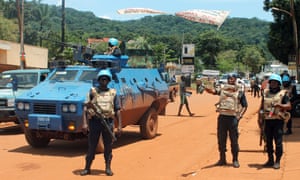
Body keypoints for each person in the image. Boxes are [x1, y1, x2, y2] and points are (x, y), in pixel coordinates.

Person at [80, 69, 122, 176]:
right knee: (92, 146)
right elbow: (85, 108)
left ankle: (108, 168)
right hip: (95, 122)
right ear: (98, 80)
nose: (104, 81)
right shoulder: (92, 92)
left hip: (108, 122)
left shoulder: (113, 93)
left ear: (108, 80)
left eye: (106, 79)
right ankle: (87, 168)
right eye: (102, 79)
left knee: (108, 146)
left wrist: (120, 126)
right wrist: (84, 124)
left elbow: (117, 110)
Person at [205, 73, 248, 168]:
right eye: (229, 79)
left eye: (232, 79)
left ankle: (235, 160)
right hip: (222, 117)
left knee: (234, 140)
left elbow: (245, 106)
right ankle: (222, 159)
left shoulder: (240, 91)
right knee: (221, 139)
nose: (230, 80)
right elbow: (213, 92)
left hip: (233, 118)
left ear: (236, 79)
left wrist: (239, 116)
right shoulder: (223, 89)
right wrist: (205, 87)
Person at [258, 73, 291, 169]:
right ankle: (270, 160)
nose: (273, 84)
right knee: (268, 142)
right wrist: (260, 117)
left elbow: (289, 106)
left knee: (278, 142)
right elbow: (261, 106)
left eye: (275, 83)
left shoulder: (283, 94)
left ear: (278, 83)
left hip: (278, 121)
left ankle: (277, 161)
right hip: (267, 121)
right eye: (271, 82)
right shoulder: (266, 93)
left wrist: (280, 106)